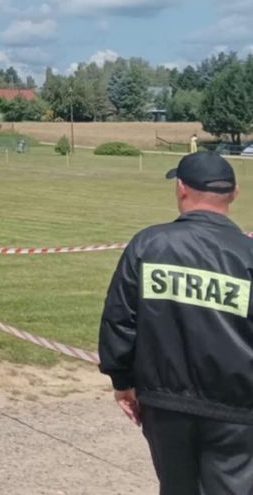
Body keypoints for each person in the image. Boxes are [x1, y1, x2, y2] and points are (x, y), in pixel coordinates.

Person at [99, 152, 252, 493]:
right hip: (237, 409)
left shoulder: (149, 244)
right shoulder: (247, 255)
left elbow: (120, 320)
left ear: (181, 188)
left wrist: (122, 381)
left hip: (165, 403)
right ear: (234, 193)